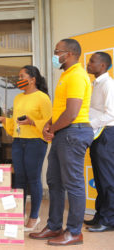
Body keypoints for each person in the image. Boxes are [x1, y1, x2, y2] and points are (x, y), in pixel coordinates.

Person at [30, 39, 93, 245]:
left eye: (57, 52)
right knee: (54, 181)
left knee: (73, 184)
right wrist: (49, 125)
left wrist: (53, 129)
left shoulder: (76, 75)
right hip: (63, 133)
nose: (55, 55)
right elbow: (60, 110)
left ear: (70, 54)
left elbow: (72, 113)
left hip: (73, 133)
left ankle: (74, 232)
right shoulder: (66, 75)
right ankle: (54, 226)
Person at [0, 65, 52, 231]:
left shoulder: (43, 98)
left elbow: (50, 123)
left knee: (33, 179)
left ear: (32, 79)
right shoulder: (18, 98)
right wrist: (4, 119)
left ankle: (34, 217)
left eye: (22, 76)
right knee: (19, 178)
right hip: (19, 142)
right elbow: (15, 122)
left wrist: (32, 122)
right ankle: (18, 214)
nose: (19, 79)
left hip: (35, 142)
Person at [85, 52, 114, 232]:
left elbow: (111, 113)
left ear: (102, 66)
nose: (88, 64)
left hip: (106, 134)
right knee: (100, 178)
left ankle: (109, 219)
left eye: (92, 61)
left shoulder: (108, 84)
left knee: (108, 179)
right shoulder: (95, 84)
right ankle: (100, 215)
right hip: (97, 134)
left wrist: (90, 125)